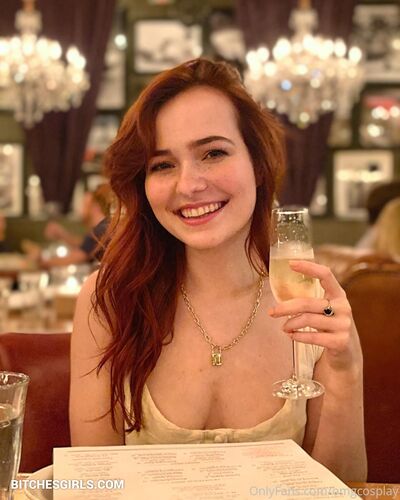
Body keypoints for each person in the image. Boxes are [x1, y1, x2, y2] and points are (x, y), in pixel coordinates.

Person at [70, 59, 366, 481]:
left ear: (258, 164)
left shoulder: (312, 302)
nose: (189, 185)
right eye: (162, 165)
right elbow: (93, 483)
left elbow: (343, 487)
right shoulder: (109, 300)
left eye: (213, 153)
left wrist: (345, 373)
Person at [40, 184, 111, 268]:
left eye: (84, 204)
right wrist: (61, 234)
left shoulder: (100, 231)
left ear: (95, 206)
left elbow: (78, 257)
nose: (80, 209)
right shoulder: (103, 226)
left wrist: (43, 262)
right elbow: (84, 246)